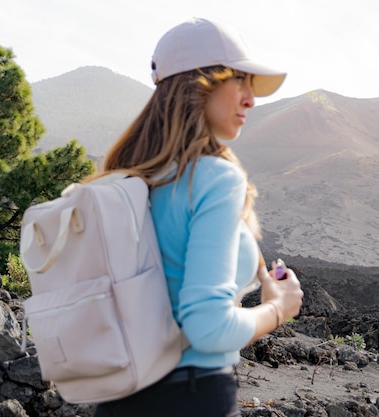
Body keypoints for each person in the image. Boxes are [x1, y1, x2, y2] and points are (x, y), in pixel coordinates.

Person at [92, 18, 304, 417]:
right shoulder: (215, 177)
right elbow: (207, 328)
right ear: (201, 85)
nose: (250, 99)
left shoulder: (128, 178)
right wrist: (279, 309)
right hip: (192, 396)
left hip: (119, 399)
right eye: (239, 81)